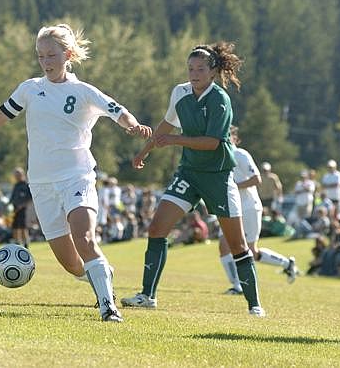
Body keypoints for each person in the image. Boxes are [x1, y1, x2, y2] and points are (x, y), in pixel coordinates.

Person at [0, 23, 152, 322]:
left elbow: (120, 112)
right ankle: (102, 276)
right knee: (71, 264)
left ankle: (107, 307)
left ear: (68, 55)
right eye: (41, 56)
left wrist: (133, 126)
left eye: (51, 55)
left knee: (85, 238)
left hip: (77, 177)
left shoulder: (83, 91)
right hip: (41, 184)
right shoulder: (30, 89)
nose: (46, 62)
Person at [121, 42, 265, 317]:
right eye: (190, 69)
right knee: (156, 228)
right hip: (188, 173)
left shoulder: (220, 99)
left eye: (200, 69)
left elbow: (212, 143)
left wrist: (175, 140)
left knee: (237, 245)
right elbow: (165, 126)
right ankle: (147, 296)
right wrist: (143, 151)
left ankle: (254, 305)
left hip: (218, 177)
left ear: (212, 72)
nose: (194, 74)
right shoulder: (180, 92)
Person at [218, 126, 298, 296]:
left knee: (251, 251)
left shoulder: (240, 154)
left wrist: (234, 187)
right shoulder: (220, 156)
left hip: (250, 207)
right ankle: (237, 285)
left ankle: (287, 264)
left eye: (227, 134)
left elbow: (256, 179)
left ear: (234, 138)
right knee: (224, 245)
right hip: (232, 208)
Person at [9, 167, 32, 247]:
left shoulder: (26, 185)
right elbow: (12, 198)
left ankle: (26, 245)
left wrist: (22, 205)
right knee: (15, 227)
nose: (17, 176)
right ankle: (17, 244)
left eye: (18, 174)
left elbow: (30, 198)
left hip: (22, 210)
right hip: (15, 210)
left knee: (23, 227)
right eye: (16, 175)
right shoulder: (16, 186)